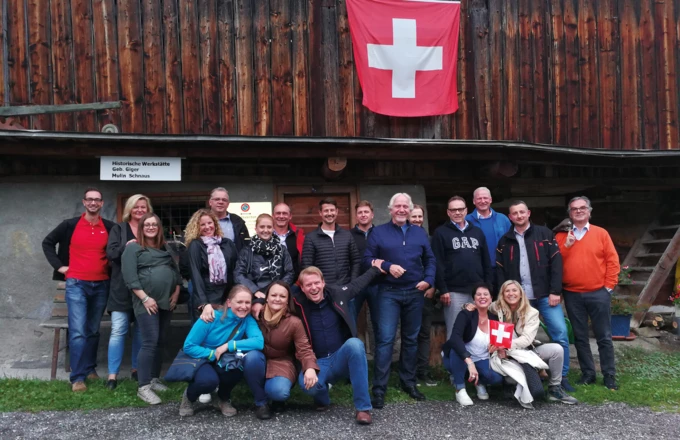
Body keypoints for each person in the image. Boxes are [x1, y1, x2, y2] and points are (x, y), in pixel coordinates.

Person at [364, 193, 436, 408]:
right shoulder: (378, 232)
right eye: (398, 206)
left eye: (406, 206)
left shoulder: (419, 233)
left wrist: (429, 280)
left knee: (411, 339)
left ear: (410, 209)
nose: (402, 209)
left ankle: (408, 382)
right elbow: (367, 260)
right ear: (391, 209)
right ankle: (379, 389)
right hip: (388, 292)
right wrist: (386, 266)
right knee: (385, 340)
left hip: (414, 292)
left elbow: (430, 259)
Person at [496, 200, 575, 392]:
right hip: (519, 301)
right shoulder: (505, 240)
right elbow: (500, 271)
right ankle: (521, 374)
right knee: (520, 337)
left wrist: (555, 291)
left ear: (528, 213)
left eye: (522, 212)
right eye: (515, 213)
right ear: (510, 217)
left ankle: (560, 377)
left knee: (560, 334)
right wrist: (504, 298)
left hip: (546, 296)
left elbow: (556, 264)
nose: (519, 216)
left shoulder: (545, 234)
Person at [42, 187, 115, 392]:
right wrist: (59, 266)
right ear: (84, 202)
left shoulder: (109, 227)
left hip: (101, 284)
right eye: (89, 199)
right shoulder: (70, 225)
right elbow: (47, 242)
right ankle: (77, 377)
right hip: (76, 284)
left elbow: (115, 251)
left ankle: (90, 368)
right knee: (78, 332)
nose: (93, 203)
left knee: (92, 330)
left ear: (101, 203)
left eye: (97, 200)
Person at [294, 263, 384, 425]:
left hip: (340, 357)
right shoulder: (297, 304)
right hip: (317, 361)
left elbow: (357, 285)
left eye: (316, 283)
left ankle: (363, 408)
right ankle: (322, 397)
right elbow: (277, 296)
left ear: (323, 283)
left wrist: (376, 269)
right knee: (309, 386)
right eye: (308, 285)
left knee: (355, 344)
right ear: (302, 288)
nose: (313, 288)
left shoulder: (337, 294)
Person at [555, 196, 620, 390]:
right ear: (570, 213)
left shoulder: (601, 233)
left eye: (582, 208)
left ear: (589, 211)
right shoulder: (561, 236)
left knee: (604, 336)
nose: (579, 211)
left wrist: (608, 287)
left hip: (598, 293)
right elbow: (556, 264)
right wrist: (567, 246)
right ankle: (588, 373)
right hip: (572, 293)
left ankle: (609, 375)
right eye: (574, 209)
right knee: (581, 337)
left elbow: (612, 261)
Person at [122, 213, 182, 404]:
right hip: (146, 303)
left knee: (160, 341)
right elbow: (130, 278)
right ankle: (143, 386)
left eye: (154, 224)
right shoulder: (133, 249)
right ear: (141, 228)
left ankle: (154, 378)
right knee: (149, 341)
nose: (150, 227)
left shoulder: (165, 248)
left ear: (159, 227)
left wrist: (176, 293)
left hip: (167, 301)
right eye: (147, 224)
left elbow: (176, 273)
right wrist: (145, 298)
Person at [180, 285, 265, 417]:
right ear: (229, 302)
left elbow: (258, 342)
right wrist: (212, 354)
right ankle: (189, 397)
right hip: (203, 358)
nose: (244, 306)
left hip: (224, 358)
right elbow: (189, 346)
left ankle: (223, 398)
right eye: (239, 302)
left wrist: (229, 346)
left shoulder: (247, 319)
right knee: (207, 382)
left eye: (247, 302)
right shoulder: (211, 316)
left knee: (237, 368)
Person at [490, 280, 578, 405]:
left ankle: (554, 388)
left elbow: (526, 339)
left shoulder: (532, 312)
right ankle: (513, 385)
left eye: (514, 290)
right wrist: (469, 306)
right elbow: (484, 304)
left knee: (557, 349)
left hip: (526, 350)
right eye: (507, 291)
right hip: (505, 354)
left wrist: (505, 345)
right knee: (513, 379)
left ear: (521, 294)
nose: (511, 294)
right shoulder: (497, 307)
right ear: (503, 295)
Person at [249, 281, 319, 418]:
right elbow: (232, 309)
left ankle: (276, 399)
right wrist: (207, 306)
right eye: (273, 295)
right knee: (251, 357)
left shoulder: (294, 322)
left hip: (282, 362)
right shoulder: (256, 315)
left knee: (279, 392)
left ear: (287, 301)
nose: (277, 299)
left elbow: (304, 348)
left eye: (282, 296)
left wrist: (310, 367)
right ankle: (261, 402)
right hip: (259, 360)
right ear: (267, 298)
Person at [105, 194, 151, 389]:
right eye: (136, 207)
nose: (140, 210)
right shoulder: (119, 229)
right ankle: (112, 376)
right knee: (118, 331)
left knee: (141, 332)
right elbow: (111, 254)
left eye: (143, 207)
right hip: (121, 289)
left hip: (144, 290)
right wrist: (127, 246)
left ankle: (136, 370)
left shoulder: (151, 229)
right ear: (129, 209)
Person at [431, 196, 492, 340]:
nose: (457, 212)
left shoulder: (477, 232)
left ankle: (477, 361)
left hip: (478, 291)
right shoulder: (441, 233)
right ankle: (454, 362)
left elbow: (486, 262)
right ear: (448, 212)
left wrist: (488, 288)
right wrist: (443, 289)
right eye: (454, 210)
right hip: (453, 292)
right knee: (455, 331)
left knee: (479, 331)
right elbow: (437, 262)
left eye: (460, 209)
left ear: (466, 211)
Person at [441, 282, 503, 407]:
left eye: (486, 294)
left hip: (482, 358)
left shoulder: (495, 318)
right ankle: (460, 388)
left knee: (496, 379)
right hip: (461, 357)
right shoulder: (466, 314)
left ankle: (478, 381)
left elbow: (500, 341)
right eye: (478, 294)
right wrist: (469, 362)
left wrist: (496, 347)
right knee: (456, 349)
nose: (482, 297)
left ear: (491, 298)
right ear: (473, 298)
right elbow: (455, 338)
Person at [234, 213, 295, 319]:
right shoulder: (247, 250)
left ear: (273, 228)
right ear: (256, 229)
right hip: (253, 295)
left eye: (269, 227)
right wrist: (255, 291)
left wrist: (277, 290)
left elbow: (290, 272)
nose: (265, 230)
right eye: (262, 227)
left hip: (276, 296)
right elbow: (238, 274)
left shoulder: (282, 250)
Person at [186, 209, 238, 323]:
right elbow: (195, 275)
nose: (207, 227)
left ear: (215, 223)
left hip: (226, 296)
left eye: (210, 223)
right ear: (197, 227)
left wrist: (235, 297)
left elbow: (235, 270)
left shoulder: (227, 243)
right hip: (206, 295)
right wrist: (204, 303)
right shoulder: (196, 245)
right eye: (202, 224)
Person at [408, 204, 437, 387]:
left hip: (426, 293)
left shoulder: (429, 239)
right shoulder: (401, 238)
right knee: (409, 334)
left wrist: (432, 285)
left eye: (420, 216)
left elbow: (435, 263)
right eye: (414, 216)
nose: (417, 220)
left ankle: (423, 372)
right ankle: (408, 372)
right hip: (407, 293)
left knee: (424, 333)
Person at [301, 197, 361, 286]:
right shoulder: (311, 238)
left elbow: (356, 261)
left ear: (336, 211)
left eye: (332, 210)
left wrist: (352, 283)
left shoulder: (347, 235)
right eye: (326, 211)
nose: (329, 213)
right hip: (323, 290)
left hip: (345, 289)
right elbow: (307, 266)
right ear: (320, 213)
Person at [465, 187, 511, 291]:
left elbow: (512, 243)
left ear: (490, 200)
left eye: (485, 198)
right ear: (474, 201)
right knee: (482, 301)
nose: (483, 201)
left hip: (501, 268)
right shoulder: (467, 220)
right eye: (479, 198)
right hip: (478, 270)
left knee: (502, 301)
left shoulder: (503, 219)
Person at [348, 200, 379, 347]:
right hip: (356, 284)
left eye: (366, 212)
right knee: (350, 322)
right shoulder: (348, 235)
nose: (363, 215)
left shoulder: (381, 233)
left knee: (379, 324)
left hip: (378, 284)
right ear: (356, 216)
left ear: (372, 214)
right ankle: (352, 355)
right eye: (360, 212)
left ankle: (380, 361)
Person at [208, 187, 250, 252]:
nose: (220, 202)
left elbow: (246, 245)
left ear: (228, 204)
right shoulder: (201, 221)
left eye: (224, 200)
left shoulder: (238, 221)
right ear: (210, 202)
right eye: (217, 199)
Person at [272, 203, 305, 278]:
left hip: (293, 284)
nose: (281, 216)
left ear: (290, 216)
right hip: (268, 283)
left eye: (284, 213)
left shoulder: (298, 235)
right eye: (278, 213)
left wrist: (297, 284)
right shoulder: (265, 235)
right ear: (273, 216)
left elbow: (303, 260)